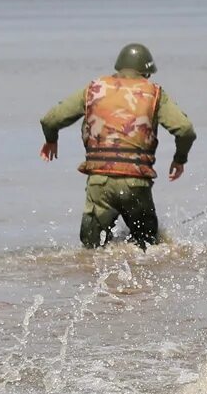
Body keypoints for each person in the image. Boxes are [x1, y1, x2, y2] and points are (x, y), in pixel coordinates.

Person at [38, 42, 196, 249]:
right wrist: (179, 159)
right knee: (149, 249)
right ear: (145, 72)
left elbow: (50, 120)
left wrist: (51, 140)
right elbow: (185, 130)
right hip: (136, 182)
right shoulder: (155, 93)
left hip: (99, 183)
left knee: (92, 250)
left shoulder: (93, 89)